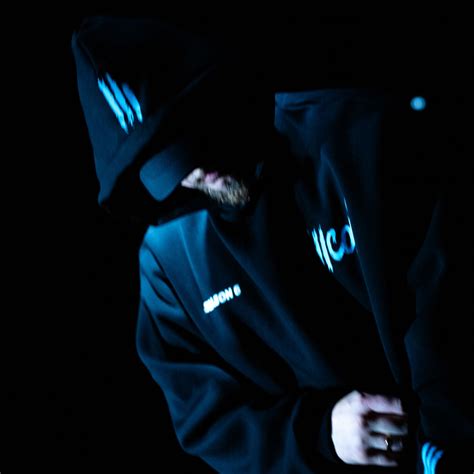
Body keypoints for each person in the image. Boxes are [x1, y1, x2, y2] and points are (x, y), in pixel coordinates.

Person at [72, 16, 473, 473]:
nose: (199, 168)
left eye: (193, 132)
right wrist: (321, 434)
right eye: (169, 162)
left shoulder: (357, 138)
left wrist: (443, 445)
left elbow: (447, 307)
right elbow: (208, 420)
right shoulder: (166, 263)